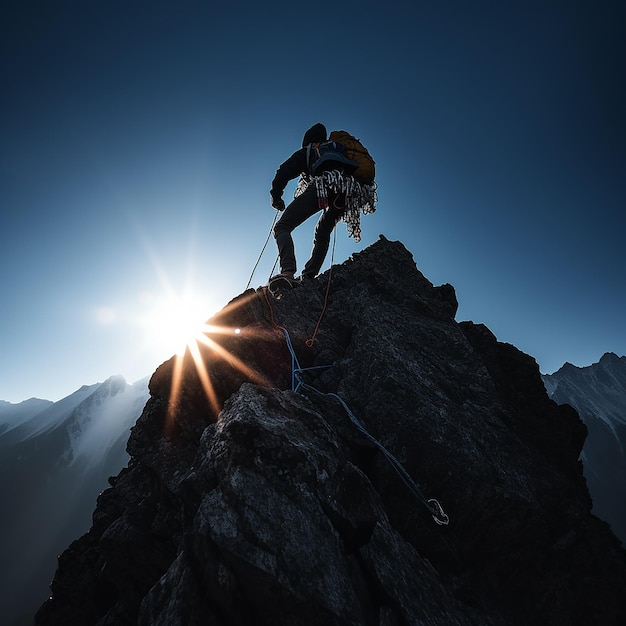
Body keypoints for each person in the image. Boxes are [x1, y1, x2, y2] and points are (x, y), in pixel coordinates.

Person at [269, 123, 343, 284]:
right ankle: (309, 277)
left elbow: (284, 171)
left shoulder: (309, 151)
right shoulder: (337, 149)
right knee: (322, 234)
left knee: (282, 227)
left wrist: (276, 196)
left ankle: (287, 272)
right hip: (345, 194)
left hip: (321, 187)